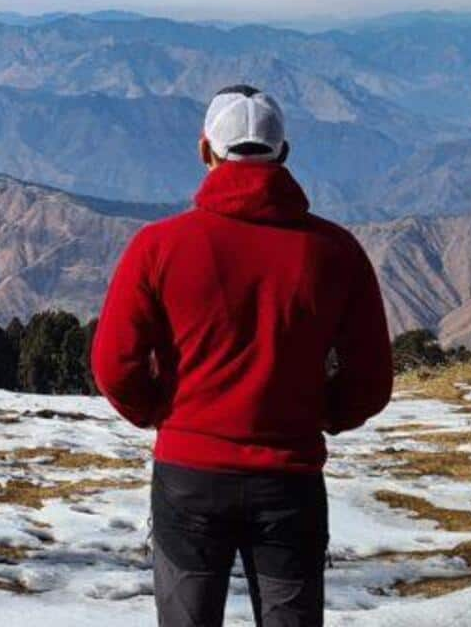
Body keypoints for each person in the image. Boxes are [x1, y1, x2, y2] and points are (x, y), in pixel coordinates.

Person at [91, 84, 392, 627]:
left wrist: (161, 412)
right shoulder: (336, 251)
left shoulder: (158, 247)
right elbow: (371, 380)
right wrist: (322, 414)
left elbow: (115, 364)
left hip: (189, 474)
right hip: (290, 478)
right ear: (285, 153)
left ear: (205, 150)